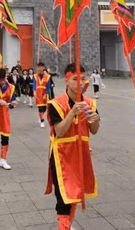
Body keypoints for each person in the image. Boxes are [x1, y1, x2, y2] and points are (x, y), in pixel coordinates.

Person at [46, 63, 100, 229]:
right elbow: (59, 132)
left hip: (81, 154)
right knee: (63, 198)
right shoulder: (55, 104)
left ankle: (66, 224)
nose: (80, 82)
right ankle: (63, 225)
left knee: (76, 193)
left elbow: (94, 131)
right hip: (61, 155)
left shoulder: (90, 103)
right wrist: (72, 113)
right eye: (76, 79)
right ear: (67, 81)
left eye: (83, 79)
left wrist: (94, 121)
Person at [32, 62, 54, 128]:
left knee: (44, 108)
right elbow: (34, 84)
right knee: (40, 107)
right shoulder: (35, 76)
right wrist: (34, 91)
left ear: (43, 68)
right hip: (38, 93)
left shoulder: (48, 76)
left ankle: (40, 116)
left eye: (41, 67)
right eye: (38, 67)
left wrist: (46, 94)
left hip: (44, 93)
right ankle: (42, 120)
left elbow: (48, 86)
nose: (39, 69)